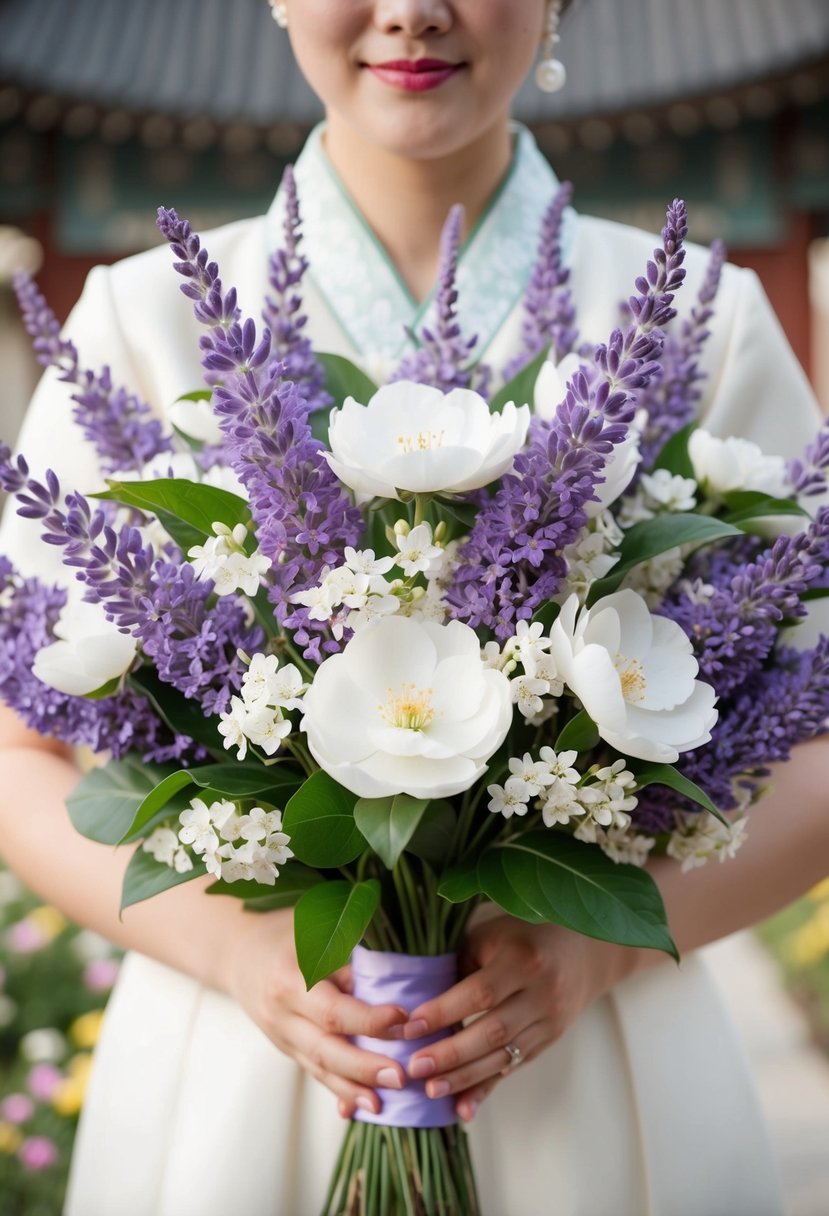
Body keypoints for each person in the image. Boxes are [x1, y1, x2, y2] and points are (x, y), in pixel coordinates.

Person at [1, 2, 827, 1213]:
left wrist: (593, 947)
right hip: (241, 1059)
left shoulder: (691, 319)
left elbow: (816, 726)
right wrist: (234, 948)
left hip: (595, 1060)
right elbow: (18, 744)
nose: (410, 10)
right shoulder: (145, 315)